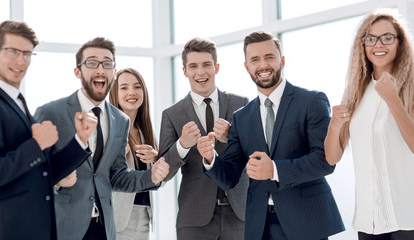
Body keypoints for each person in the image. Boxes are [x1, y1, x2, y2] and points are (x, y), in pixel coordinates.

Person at [197, 31, 345, 240]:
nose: (263, 65)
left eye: (269, 57)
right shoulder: (241, 117)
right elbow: (230, 177)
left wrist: (275, 170)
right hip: (261, 226)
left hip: (306, 222)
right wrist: (211, 158)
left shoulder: (312, 101)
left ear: (282, 61)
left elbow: (324, 161)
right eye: (255, 59)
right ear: (247, 66)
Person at [0, 20, 96, 240]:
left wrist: (80, 139)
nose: (20, 61)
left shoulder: (18, 103)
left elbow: (42, 174)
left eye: (27, 54)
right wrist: (36, 145)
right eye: (12, 51)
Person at [34, 37, 170, 240]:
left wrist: (152, 177)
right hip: (63, 228)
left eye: (107, 63)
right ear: (77, 71)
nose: (100, 69)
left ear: (114, 72)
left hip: (104, 229)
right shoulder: (51, 113)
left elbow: (116, 176)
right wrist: (57, 180)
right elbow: (31, 174)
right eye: (91, 62)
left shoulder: (120, 120)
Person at [324, 10, 414, 240]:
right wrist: (334, 125)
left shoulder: (410, 87)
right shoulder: (356, 93)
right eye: (370, 38)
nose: (378, 44)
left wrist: (393, 100)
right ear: (362, 46)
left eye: (387, 37)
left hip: (407, 216)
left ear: (400, 42)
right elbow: (332, 158)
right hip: (369, 221)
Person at [158, 37, 249, 240]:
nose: (200, 72)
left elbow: (256, 152)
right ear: (185, 71)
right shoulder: (171, 115)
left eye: (206, 64)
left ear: (216, 67)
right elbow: (162, 173)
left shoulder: (241, 104)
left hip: (240, 216)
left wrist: (232, 135)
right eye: (193, 66)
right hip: (194, 220)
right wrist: (181, 145)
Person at [109, 68, 158, 239]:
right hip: (117, 218)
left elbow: (160, 181)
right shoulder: (109, 130)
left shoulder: (147, 133)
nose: (131, 92)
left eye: (137, 87)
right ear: (115, 93)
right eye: (123, 88)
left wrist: (156, 160)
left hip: (144, 216)